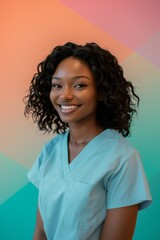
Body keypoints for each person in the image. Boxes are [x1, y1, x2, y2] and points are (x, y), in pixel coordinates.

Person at [24, 42, 152, 240]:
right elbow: (41, 232)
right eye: (57, 85)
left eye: (79, 85)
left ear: (101, 92)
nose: (65, 95)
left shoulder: (123, 159)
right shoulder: (50, 151)